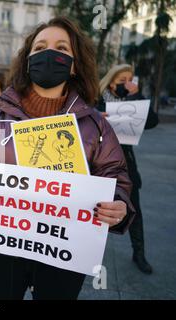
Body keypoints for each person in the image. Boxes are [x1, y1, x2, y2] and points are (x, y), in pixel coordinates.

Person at [0, 17, 135, 300]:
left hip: (64, 248)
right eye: (39, 48)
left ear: (74, 64)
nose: (49, 54)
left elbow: (115, 174)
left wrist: (118, 204)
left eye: (61, 48)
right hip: (1, 244)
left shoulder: (95, 124)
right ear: (27, 60)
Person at [97, 64, 158, 274]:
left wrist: (137, 95)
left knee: (134, 210)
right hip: (99, 164)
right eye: (122, 80)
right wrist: (97, 117)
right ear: (112, 80)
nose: (127, 84)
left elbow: (151, 121)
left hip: (126, 163)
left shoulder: (134, 99)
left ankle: (139, 254)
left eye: (130, 80)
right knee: (94, 209)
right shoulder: (97, 99)